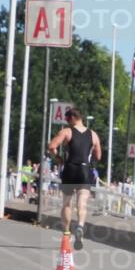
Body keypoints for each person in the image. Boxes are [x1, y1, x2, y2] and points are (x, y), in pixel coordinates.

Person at [47, 107, 102, 250]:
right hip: (85, 169)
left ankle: (66, 233)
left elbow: (51, 146)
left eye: (67, 119)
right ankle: (80, 226)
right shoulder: (93, 135)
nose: (66, 121)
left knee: (66, 203)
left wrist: (58, 158)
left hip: (70, 168)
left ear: (72, 118)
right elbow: (98, 156)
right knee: (82, 203)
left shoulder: (66, 132)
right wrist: (92, 162)